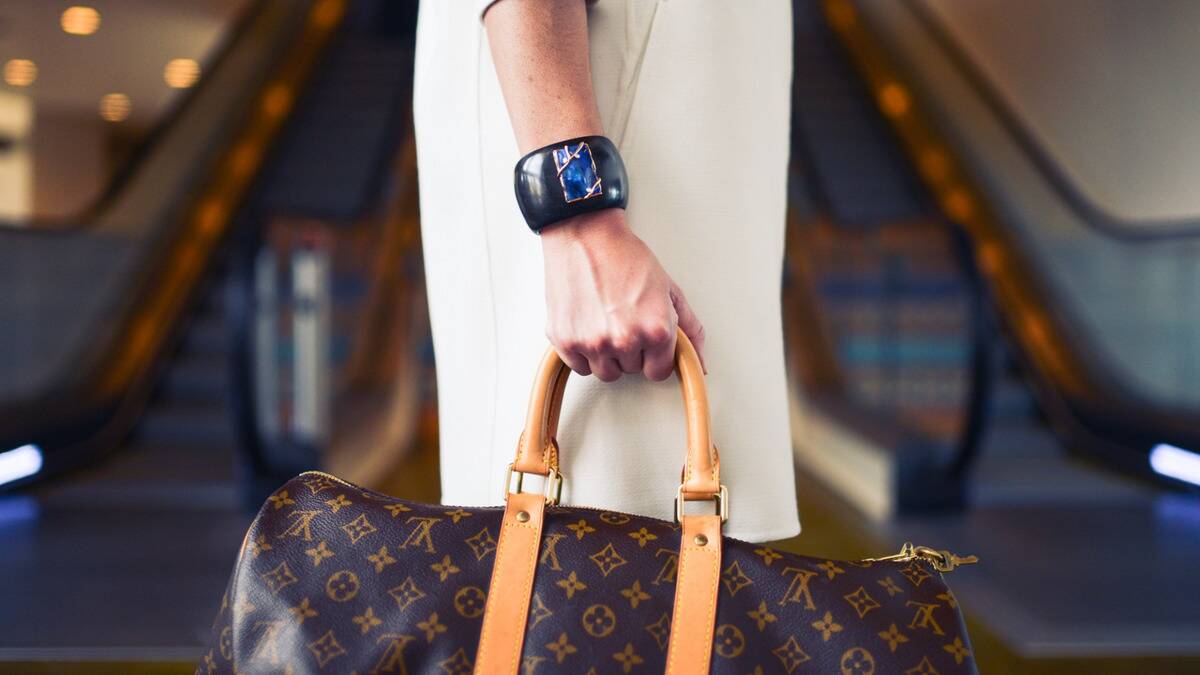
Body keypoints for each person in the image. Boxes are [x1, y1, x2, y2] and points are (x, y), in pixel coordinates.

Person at [414, 0, 798, 541]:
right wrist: (579, 222)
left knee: (682, 575)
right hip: (615, 220)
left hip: (676, 203)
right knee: (591, 561)